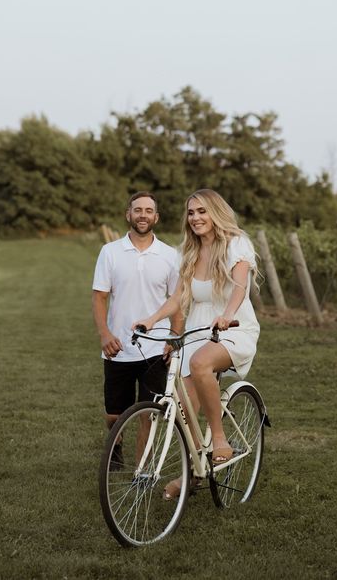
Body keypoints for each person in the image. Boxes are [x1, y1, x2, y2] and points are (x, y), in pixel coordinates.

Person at [134, 188, 260, 498]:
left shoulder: (235, 244)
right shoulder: (188, 252)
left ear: (215, 213)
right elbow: (177, 298)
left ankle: (219, 439)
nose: (195, 218)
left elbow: (240, 287)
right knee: (182, 406)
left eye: (202, 211)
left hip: (233, 327)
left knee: (201, 363)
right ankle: (195, 470)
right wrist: (150, 320)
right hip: (198, 329)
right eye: (191, 213)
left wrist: (227, 315)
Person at [92, 192, 182, 434]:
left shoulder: (170, 256)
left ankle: (141, 471)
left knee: (149, 414)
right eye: (138, 210)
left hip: (155, 347)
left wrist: (174, 338)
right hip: (118, 346)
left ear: (157, 217)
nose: (143, 215)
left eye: (148, 210)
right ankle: (116, 448)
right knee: (114, 415)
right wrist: (104, 335)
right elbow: (99, 297)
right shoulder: (110, 251)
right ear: (128, 214)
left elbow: (177, 302)